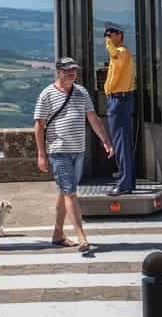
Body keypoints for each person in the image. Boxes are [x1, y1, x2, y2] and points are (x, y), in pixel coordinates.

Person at [33, 56, 113, 257]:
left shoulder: (81, 92)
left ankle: (57, 234)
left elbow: (92, 117)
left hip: (78, 150)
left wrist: (105, 140)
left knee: (64, 191)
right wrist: (41, 154)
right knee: (70, 193)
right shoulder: (47, 94)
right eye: (68, 70)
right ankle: (81, 236)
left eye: (74, 70)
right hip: (58, 151)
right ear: (58, 71)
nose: (72, 73)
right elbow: (39, 126)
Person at [103, 24, 136, 195]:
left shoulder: (121, 52)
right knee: (121, 142)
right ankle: (127, 178)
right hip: (117, 99)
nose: (107, 38)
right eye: (106, 35)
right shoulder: (120, 53)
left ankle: (124, 183)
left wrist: (109, 44)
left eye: (111, 34)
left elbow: (115, 55)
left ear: (120, 35)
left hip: (120, 100)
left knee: (121, 143)